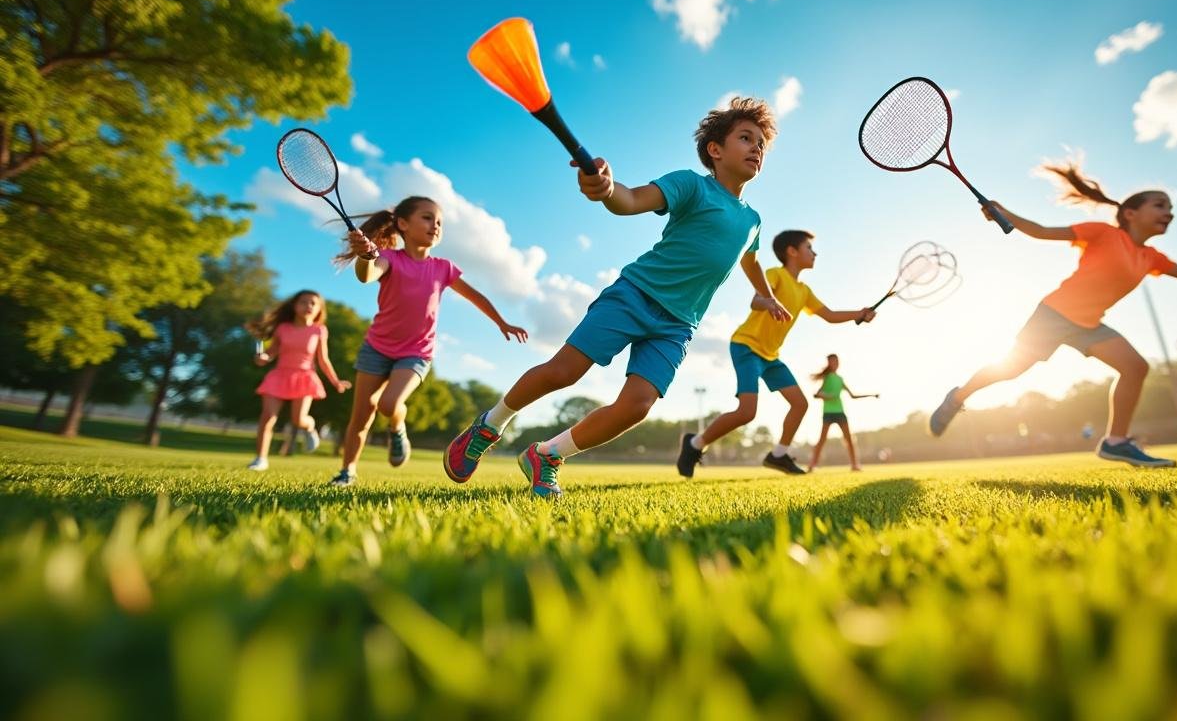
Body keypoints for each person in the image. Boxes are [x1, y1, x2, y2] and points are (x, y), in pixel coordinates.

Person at [446, 97, 788, 498]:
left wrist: (765, 295)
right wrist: (606, 188)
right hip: (636, 294)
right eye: (746, 138)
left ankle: (547, 455)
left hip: (678, 325)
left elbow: (749, 260)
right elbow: (630, 200)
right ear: (715, 150)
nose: (756, 148)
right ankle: (490, 424)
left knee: (637, 406)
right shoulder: (691, 185)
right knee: (564, 372)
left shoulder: (753, 220)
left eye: (762, 144)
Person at [927, 161, 1177, 467]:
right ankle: (958, 397)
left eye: (1170, 208)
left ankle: (1115, 442)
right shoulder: (1102, 232)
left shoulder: (1150, 258)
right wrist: (1004, 212)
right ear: (1131, 213)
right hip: (1055, 313)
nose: (1169, 213)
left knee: (1135, 367)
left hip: (1088, 325)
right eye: (1160, 205)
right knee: (1008, 371)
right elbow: (1040, 231)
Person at [335, 196, 528, 486]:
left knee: (389, 404)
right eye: (427, 218)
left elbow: (475, 296)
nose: (435, 225)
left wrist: (501, 322)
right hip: (376, 347)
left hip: (415, 353)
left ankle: (397, 426)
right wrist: (366, 257)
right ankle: (347, 472)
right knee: (361, 416)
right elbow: (368, 274)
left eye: (439, 222)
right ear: (403, 224)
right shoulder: (388, 258)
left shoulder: (443, 267)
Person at [675, 230, 875, 477]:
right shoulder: (775, 274)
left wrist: (859, 313)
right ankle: (694, 444)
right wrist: (768, 302)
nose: (814, 253)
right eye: (809, 248)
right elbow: (756, 301)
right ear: (792, 251)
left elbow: (830, 315)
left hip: (771, 356)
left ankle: (778, 455)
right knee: (747, 412)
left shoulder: (804, 291)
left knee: (800, 404)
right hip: (746, 346)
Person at [247, 290, 349, 471]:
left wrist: (336, 382)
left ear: (319, 309)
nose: (308, 306)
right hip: (279, 375)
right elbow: (272, 352)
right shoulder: (282, 328)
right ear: (295, 306)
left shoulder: (319, 330)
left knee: (298, 419)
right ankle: (260, 459)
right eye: (303, 302)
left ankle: (310, 428)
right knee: (267, 418)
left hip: (304, 377)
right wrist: (264, 357)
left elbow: (323, 360)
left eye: (313, 303)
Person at [808, 353, 878, 472]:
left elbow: (853, 396)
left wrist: (871, 395)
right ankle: (812, 465)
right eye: (832, 361)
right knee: (822, 440)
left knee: (849, 440)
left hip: (840, 412)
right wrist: (826, 396)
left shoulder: (840, 379)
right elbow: (816, 394)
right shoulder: (827, 377)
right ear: (829, 363)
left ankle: (855, 465)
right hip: (828, 413)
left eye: (836, 361)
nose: (835, 363)